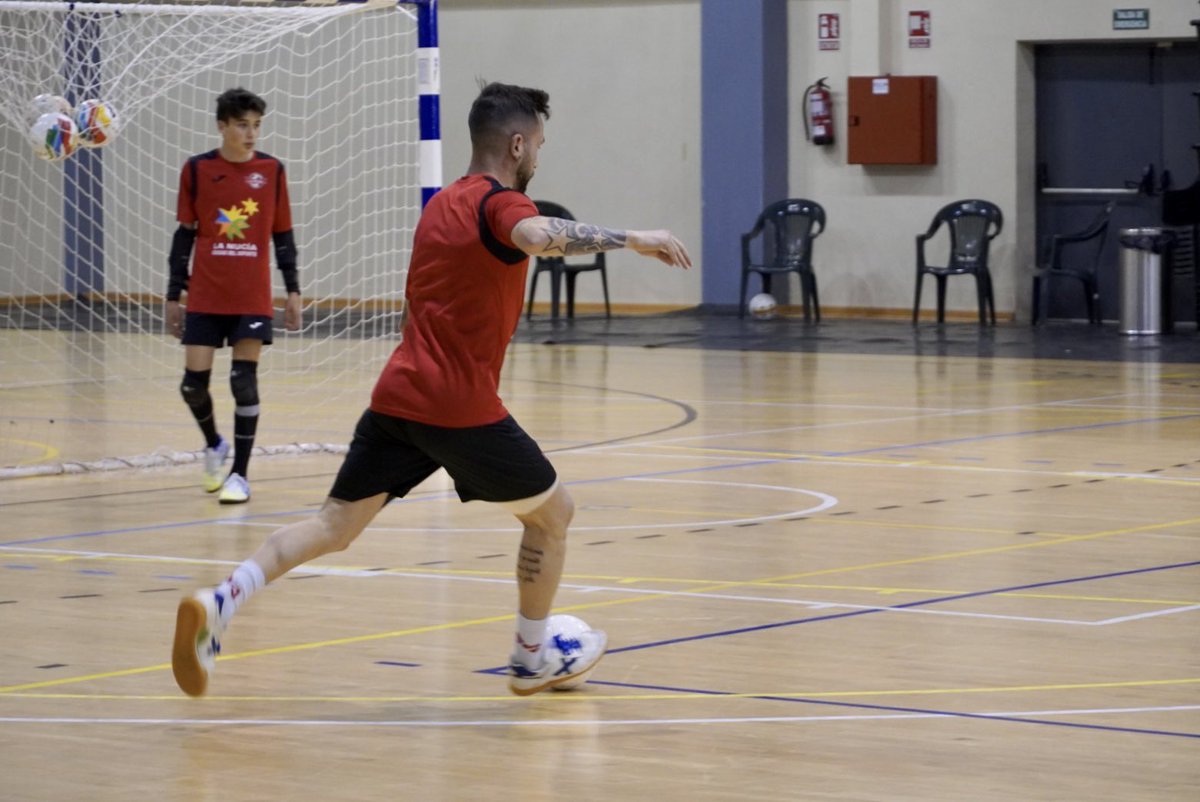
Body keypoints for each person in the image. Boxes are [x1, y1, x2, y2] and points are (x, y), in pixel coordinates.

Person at [170, 81, 691, 698]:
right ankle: (530, 656)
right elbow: (531, 236)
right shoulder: (499, 205)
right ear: (518, 144)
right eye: (539, 146)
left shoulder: (442, 203)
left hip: (398, 396)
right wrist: (632, 238)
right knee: (554, 517)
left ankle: (223, 598)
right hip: (458, 406)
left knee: (333, 525)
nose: (539, 159)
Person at [164, 87, 302, 505]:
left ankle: (240, 475)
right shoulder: (197, 170)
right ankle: (214, 444)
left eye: (257, 125)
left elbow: (282, 235)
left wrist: (293, 289)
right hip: (205, 294)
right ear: (222, 126)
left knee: (243, 380)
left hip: (251, 296)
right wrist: (174, 295)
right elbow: (184, 236)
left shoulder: (272, 171)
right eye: (242, 125)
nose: (251, 133)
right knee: (192, 386)